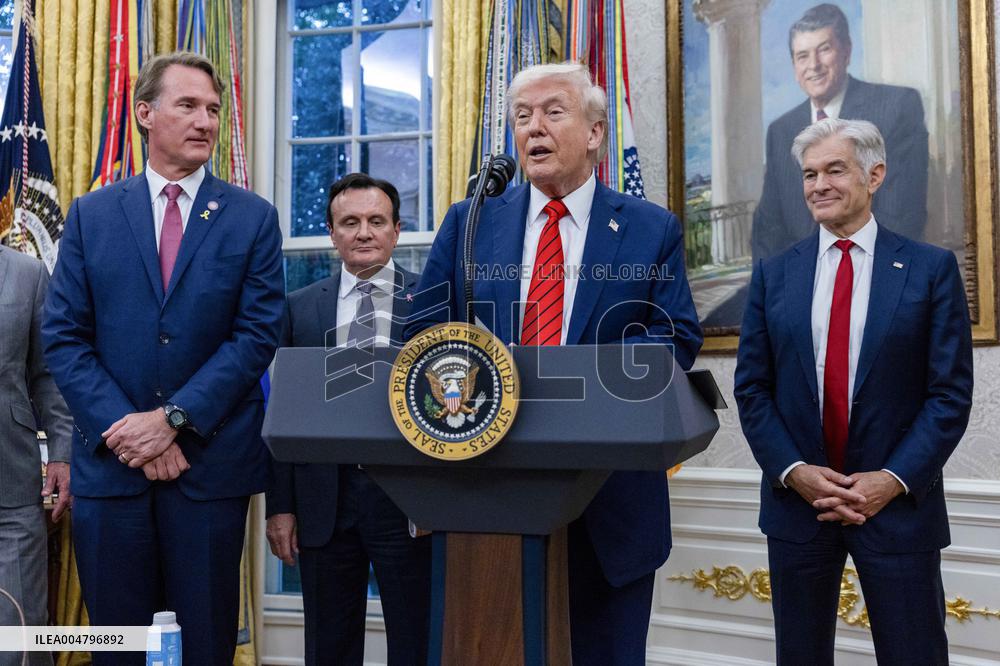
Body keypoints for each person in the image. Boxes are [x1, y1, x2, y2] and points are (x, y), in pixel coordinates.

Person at [404, 62, 703, 665]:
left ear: (594, 132)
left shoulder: (649, 228)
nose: (532, 127)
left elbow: (674, 338)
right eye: (521, 116)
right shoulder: (471, 222)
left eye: (552, 111)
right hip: (485, 492)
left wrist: (581, 383)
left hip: (609, 499)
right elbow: (423, 334)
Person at [42, 52, 284, 665]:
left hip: (208, 473)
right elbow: (64, 337)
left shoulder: (252, 218)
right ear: (145, 113)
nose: (205, 120)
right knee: (119, 647)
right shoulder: (91, 214)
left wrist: (171, 420)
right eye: (188, 105)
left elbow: (257, 336)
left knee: (204, 646)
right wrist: (132, 433)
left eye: (212, 109)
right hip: (112, 472)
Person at [734, 118, 973, 665]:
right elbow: (752, 390)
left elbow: (949, 395)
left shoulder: (929, 269)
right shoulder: (774, 275)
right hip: (800, 509)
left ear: (875, 175)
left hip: (897, 510)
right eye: (809, 173)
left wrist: (890, 481)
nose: (819, 184)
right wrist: (795, 472)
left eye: (834, 169)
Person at [265, 173, 429, 666]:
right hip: (323, 504)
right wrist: (281, 506)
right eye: (350, 222)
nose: (363, 232)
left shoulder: (432, 302)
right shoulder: (299, 308)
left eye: (376, 221)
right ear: (332, 235)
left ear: (396, 230)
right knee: (328, 646)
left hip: (410, 502)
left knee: (417, 641)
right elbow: (282, 414)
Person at [704, 3, 929, 327]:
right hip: (796, 282)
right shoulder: (782, 129)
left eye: (824, 50)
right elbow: (769, 226)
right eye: (802, 55)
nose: (814, 66)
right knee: (712, 324)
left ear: (847, 51)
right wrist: (788, 288)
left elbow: (903, 214)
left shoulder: (896, 106)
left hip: (871, 277)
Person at [0, 245, 72, 666]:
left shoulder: (27, 273)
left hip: (11, 485)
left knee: (19, 631)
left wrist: (62, 454)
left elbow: (48, 376)